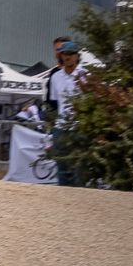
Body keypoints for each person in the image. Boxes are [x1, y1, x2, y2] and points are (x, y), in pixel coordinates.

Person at [41, 42, 87, 187]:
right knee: (61, 167)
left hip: (79, 127)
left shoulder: (85, 75)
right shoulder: (55, 77)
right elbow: (55, 103)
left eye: (70, 54)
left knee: (78, 169)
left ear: (77, 56)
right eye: (64, 54)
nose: (67, 57)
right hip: (61, 128)